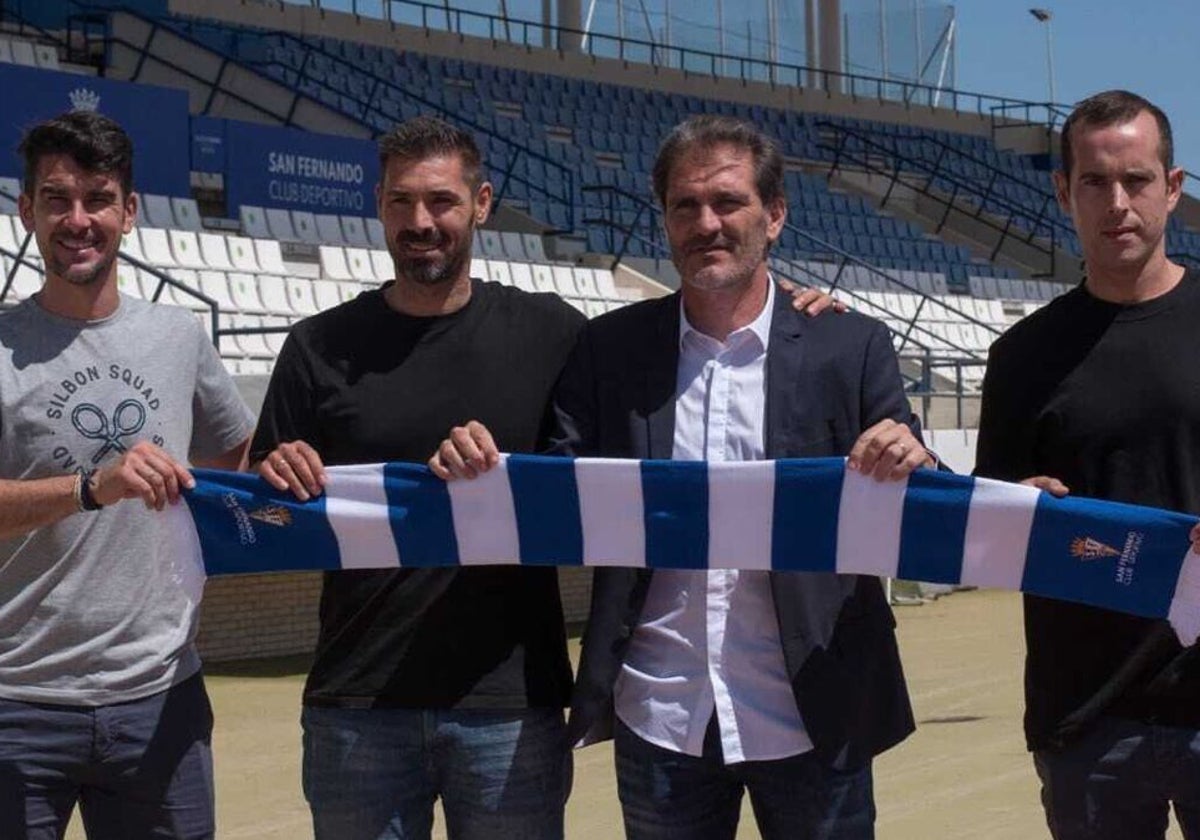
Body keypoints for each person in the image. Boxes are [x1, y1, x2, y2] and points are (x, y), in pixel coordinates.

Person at [255, 114, 840, 840]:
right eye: (401, 201)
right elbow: (265, 508)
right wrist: (272, 473)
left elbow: (633, 409)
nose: (420, 221)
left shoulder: (556, 334)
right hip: (356, 701)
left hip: (512, 703)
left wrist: (802, 313)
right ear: (377, 204)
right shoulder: (317, 347)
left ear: (482, 203)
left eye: (440, 200)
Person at [431, 114, 931, 840]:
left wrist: (909, 453)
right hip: (661, 714)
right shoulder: (609, 350)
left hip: (817, 709)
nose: (707, 223)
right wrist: (478, 470)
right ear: (663, 219)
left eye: (728, 202)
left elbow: (918, 482)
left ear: (776, 215)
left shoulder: (848, 346)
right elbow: (557, 488)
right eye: (684, 206)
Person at [0, 112, 255, 839]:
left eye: (98, 199)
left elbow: (240, 465)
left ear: (130, 211)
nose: (79, 220)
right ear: (26, 211)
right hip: (17, 702)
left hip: (159, 698)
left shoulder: (179, 338)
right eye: (57, 199)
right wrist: (91, 486)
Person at [975, 89, 1200, 839]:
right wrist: (1017, 515)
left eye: (1137, 180)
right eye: (1096, 183)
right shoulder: (1021, 358)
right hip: (1091, 716)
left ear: (1172, 188)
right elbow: (991, 540)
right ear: (1064, 192)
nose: (1118, 203)